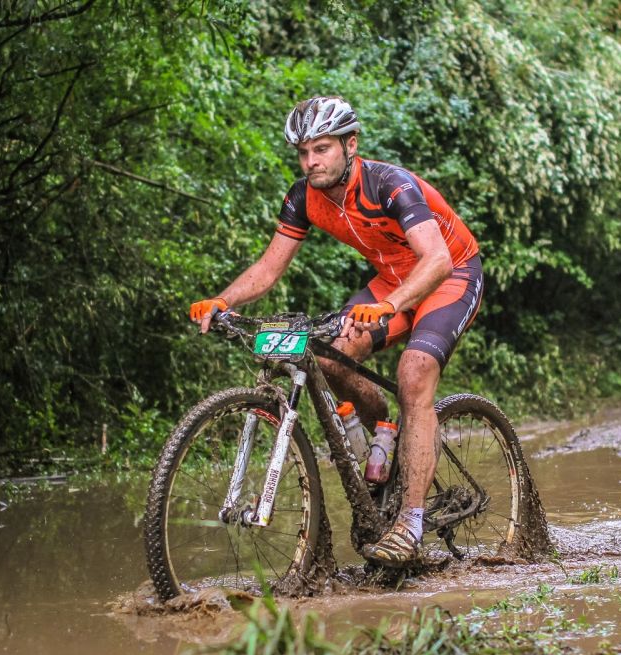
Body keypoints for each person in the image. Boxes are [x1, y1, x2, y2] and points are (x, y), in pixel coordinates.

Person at [189, 96, 484, 564]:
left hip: (450, 276)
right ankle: (383, 436)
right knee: (328, 358)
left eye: (321, 149)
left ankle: (410, 523)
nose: (311, 162)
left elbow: (437, 259)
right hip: (392, 281)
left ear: (351, 144)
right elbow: (269, 267)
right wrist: (224, 299)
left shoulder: (390, 185)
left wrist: (388, 305)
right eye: (303, 153)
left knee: (414, 371)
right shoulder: (303, 196)